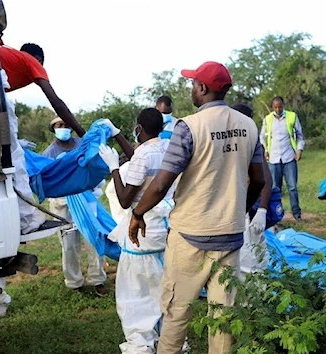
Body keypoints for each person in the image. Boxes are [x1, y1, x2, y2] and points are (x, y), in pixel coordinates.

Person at [127, 61, 265, 354]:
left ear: (202, 89)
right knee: (224, 318)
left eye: (193, 84)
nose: (191, 89)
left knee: (177, 312)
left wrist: (137, 214)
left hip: (190, 236)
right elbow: (260, 180)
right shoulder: (249, 126)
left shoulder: (188, 127)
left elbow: (162, 184)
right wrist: (239, 210)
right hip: (230, 236)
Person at [98, 108, 179, 354]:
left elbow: (124, 200)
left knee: (136, 292)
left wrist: (113, 168)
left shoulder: (143, 155)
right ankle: (172, 340)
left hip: (141, 231)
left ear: (139, 129)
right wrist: (118, 135)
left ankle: (141, 344)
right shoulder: (167, 148)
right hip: (166, 230)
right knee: (164, 287)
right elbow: (141, 158)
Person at [42, 117, 108, 296]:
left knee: (94, 241)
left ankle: (98, 279)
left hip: (87, 201)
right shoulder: (50, 152)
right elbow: (48, 181)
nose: (63, 128)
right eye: (59, 126)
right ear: (54, 128)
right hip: (63, 205)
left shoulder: (82, 145)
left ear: (71, 127)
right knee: (69, 245)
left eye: (65, 125)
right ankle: (74, 282)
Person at [0, 42, 85, 136]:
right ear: (39, 60)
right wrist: (82, 134)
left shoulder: (11, 59)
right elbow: (55, 101)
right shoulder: (31, 61)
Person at [232, 103, 273, 281]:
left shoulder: (253, 142)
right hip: (235, 207)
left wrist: (262, 211)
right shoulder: (229, 141)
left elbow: (265, 179)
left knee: (250, 259)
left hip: (248, 209)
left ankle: (253, 303)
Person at [260, 96, 305, 221]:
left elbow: (300, 135)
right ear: (272, 107)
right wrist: (265, 150)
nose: (278, 109)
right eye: (275, 107)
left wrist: (299, 150)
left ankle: (297, 214)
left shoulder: (292, 117)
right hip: (274, 158)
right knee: (275, 189)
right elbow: (262, 137)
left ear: (283, 105)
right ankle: (277, 216)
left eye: (280, 107)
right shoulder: (268, 119)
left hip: (289, 157)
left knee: (292, 187)